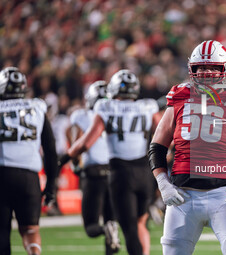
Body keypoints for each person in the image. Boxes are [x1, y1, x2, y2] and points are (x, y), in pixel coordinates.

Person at [148, 40, 226, 255]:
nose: (207, 72)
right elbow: (157, 147)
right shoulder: (180, 94)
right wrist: (163, 184)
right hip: (182, 196)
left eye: (213, 67)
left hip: (224, 196)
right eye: (201, 67)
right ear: (192, 69)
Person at [59, 69, 159, 255]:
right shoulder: (148, 106)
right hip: (144, 172)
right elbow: (162, 135)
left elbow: (85, 143)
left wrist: (63, 159)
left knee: (129, 228)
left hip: (120, 173)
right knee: (140, 223)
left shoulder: (106, 108)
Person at [0, 67, 59, 255]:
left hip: (2, 175)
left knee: (2, 233)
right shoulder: (37, 107)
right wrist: (51, 185)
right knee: (30, 229)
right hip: (29, 178)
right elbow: (50, 150)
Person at [66, 80, 120, 254]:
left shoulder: (82, 116)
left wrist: (75, 165)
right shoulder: (118, 114)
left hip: (94, 173)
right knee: (111, 222)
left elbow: (77, 143)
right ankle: (109, 232)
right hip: (115, 172)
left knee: (91, 227)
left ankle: (106, 231)